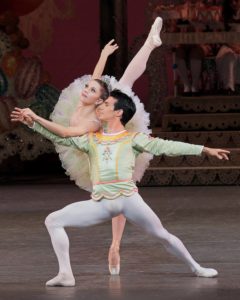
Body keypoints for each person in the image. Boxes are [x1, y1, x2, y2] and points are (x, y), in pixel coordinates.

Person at [11, 89, 230, 287]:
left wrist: (204, 149)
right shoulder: (90, 140)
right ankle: (66, 274)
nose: (101, 106)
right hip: (103, 202)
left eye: (106, 104)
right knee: (53, 220)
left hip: (129, 199)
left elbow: (167, 146)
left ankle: (196, 267)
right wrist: (32, 122)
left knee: (162, 234)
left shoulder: (133, 139)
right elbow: (59, 136)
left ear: (118, 113)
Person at [15, 17, 164, 276]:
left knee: (126, 83)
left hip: (104, 141)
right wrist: (104, 56)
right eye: (86, 89)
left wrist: (38, 119)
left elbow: (69, 127)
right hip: (89, 151)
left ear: (99, 99)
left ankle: (115, 244)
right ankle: (114, 245)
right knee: (114, 195)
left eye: (91, 90)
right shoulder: (84, 104)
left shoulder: (96, 115)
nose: (85, 90)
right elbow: (91, 84)